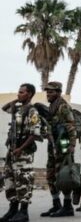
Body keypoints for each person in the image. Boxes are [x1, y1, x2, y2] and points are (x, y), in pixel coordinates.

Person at [1, 83, 42, 222]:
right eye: (19, 92)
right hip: (12, 151)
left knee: (24, 180)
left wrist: (21, 149)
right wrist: (17, 100)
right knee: (10, 180)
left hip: (23, 153)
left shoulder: (32, 111)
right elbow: (4, 108)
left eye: (21, 92)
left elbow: (35, 134)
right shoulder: (17, 110)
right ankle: (13, 210)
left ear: (29, 94)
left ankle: (24, 212)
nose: (18, 94)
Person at [40, 81, 77, 218]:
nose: (48, 94)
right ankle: (56, 204)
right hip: (53, 144)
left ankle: (68, 206)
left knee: (64, 175)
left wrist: (71, 145)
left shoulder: (63, 107)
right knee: (50, 174)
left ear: (58, 93)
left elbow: (71, 125)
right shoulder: (51, 107)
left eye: (51, 92)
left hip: (64, 144)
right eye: (47, 92)